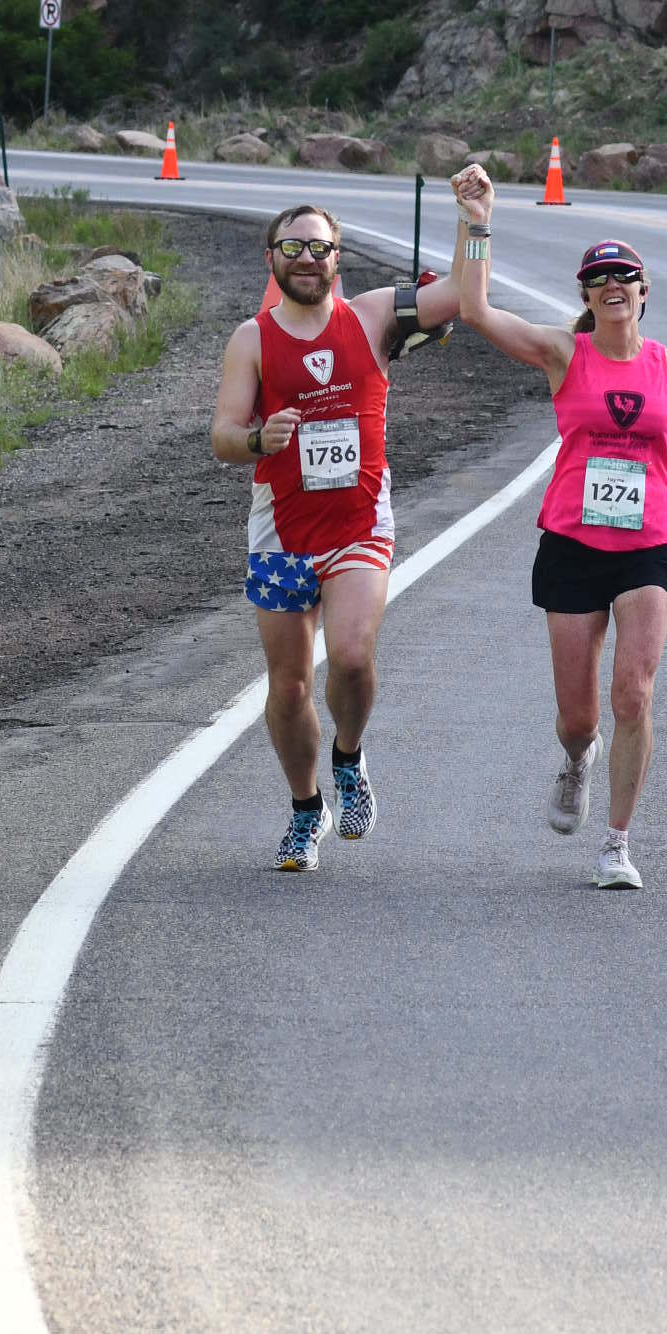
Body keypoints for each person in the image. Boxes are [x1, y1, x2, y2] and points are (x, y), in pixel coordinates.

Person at [445, 166, 667, 891]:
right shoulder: (562, 353)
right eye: (599, 277)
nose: (613, 284)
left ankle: (616, 843)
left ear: (645, 292)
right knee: (579, 717)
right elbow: (477, 311)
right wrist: (479, 223)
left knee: (634, 695)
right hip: (572, 545)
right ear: (586, 296)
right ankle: (578, 760)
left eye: (625, 276)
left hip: (650, 546)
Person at [212, 204, 457, 870]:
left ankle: (348, 758)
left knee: (350, 656)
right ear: (271, 258)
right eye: (292, 247)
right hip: (282, 536)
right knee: (289, 688)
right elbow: (222, 435)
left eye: (319, 248)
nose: (306, 258)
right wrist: (257, 439)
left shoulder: (371, 316)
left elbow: (462, 295)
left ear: (336, 259)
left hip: (358, 526)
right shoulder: (251, 339)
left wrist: (476, 220)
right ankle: (305, 808)